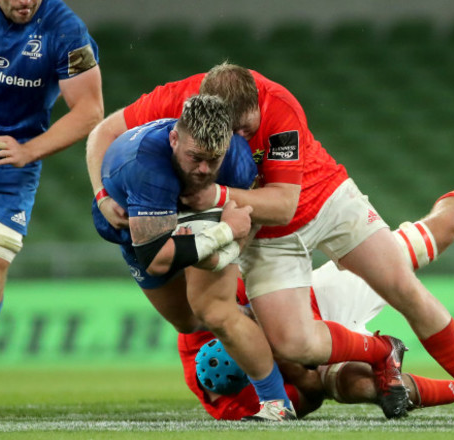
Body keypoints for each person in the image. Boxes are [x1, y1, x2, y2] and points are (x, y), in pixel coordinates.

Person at [85, 61, 454, 421]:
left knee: (423, 260)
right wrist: (107, 196)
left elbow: (285, 204)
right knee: (336, 374)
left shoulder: (277, 107)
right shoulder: (232, 382)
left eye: (244, 130)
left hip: (322, 202)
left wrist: (210, 198)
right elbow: (309, 392)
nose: (237, 142)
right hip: (274, 248)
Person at [178, 147, 454, 419]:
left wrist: (276, 334)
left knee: (445, 228)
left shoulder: (207, 319)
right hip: (308, 352)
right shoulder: (233, 407)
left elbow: (268, 285)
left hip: (317, 301)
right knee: (366, 389)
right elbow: (310, 395)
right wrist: (285, 363)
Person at [0, 0, 103, 419]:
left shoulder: (65, 31)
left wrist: (28, 150)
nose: (24, 2)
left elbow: (89, 111)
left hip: (9, 172)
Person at [86, 94, 296, 421]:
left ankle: (276, 402)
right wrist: (223, 235)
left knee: (215, 311)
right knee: (187, 322)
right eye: (195, 156)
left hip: (199, 211)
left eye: (213, 159)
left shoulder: (236, 159)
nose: (203, 169)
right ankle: (254, 322)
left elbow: (247, 222)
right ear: (173, 139)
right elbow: (156, 259)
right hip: (136, 223)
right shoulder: (146, 167)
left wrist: (222, 249)